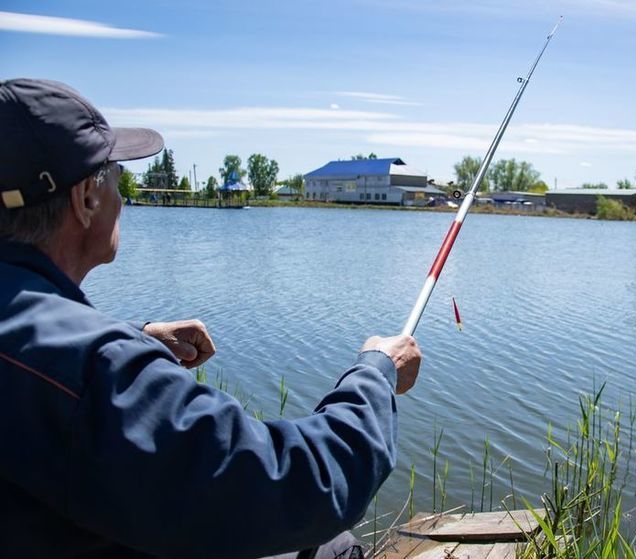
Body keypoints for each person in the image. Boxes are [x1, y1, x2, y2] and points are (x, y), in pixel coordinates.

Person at [0, 79, 422, 558]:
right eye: (114, 176)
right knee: (330, 547)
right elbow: (298, 486)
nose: (121, 197)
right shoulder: (96, 368)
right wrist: (376, 372)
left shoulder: (54, 341)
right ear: (86, 200)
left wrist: (137, 340)